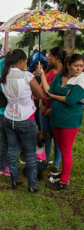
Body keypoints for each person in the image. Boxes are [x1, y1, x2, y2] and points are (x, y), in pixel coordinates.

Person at [0, 49, 44, 193]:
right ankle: (32, 185)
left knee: (12, 150)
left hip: (9, 117)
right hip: (26, 118)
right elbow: (41, 94)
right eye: (25, 61)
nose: (26, 64)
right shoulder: (26, 75)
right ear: (20, 61)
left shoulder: (4, 76)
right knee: (30, 153)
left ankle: (15, 179)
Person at [41, 54, 84, 190]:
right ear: (68, 65)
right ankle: (62, 174)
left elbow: (71, 100)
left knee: (66, 150)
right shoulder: (60, 76)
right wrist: (42, 77)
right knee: (59, 144)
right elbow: (50, 90)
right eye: (76, 66)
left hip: (70, 120)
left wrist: (53, 96)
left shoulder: (81, 80)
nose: (79, 69)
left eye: (81, 66)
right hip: (56, 117)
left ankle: (63, 181)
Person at [39, 47, 66, 176]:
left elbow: (60, 95)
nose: (47, 58)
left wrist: (52, 109)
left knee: (57, 138)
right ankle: (45, 160)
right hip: (44, 109)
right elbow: (42, 90)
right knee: (46, 137)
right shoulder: (48, 70)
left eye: (50, 56)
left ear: (57, 58)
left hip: (55, 110)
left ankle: (56, 164)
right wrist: (41, 105)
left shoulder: (64, 75)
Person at [0, 58, 10, 176]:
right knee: (4, 142)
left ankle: (5, 164)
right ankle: (2, 167)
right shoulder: (5, 80)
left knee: (6, 141)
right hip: (5, 114)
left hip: (1, 114)